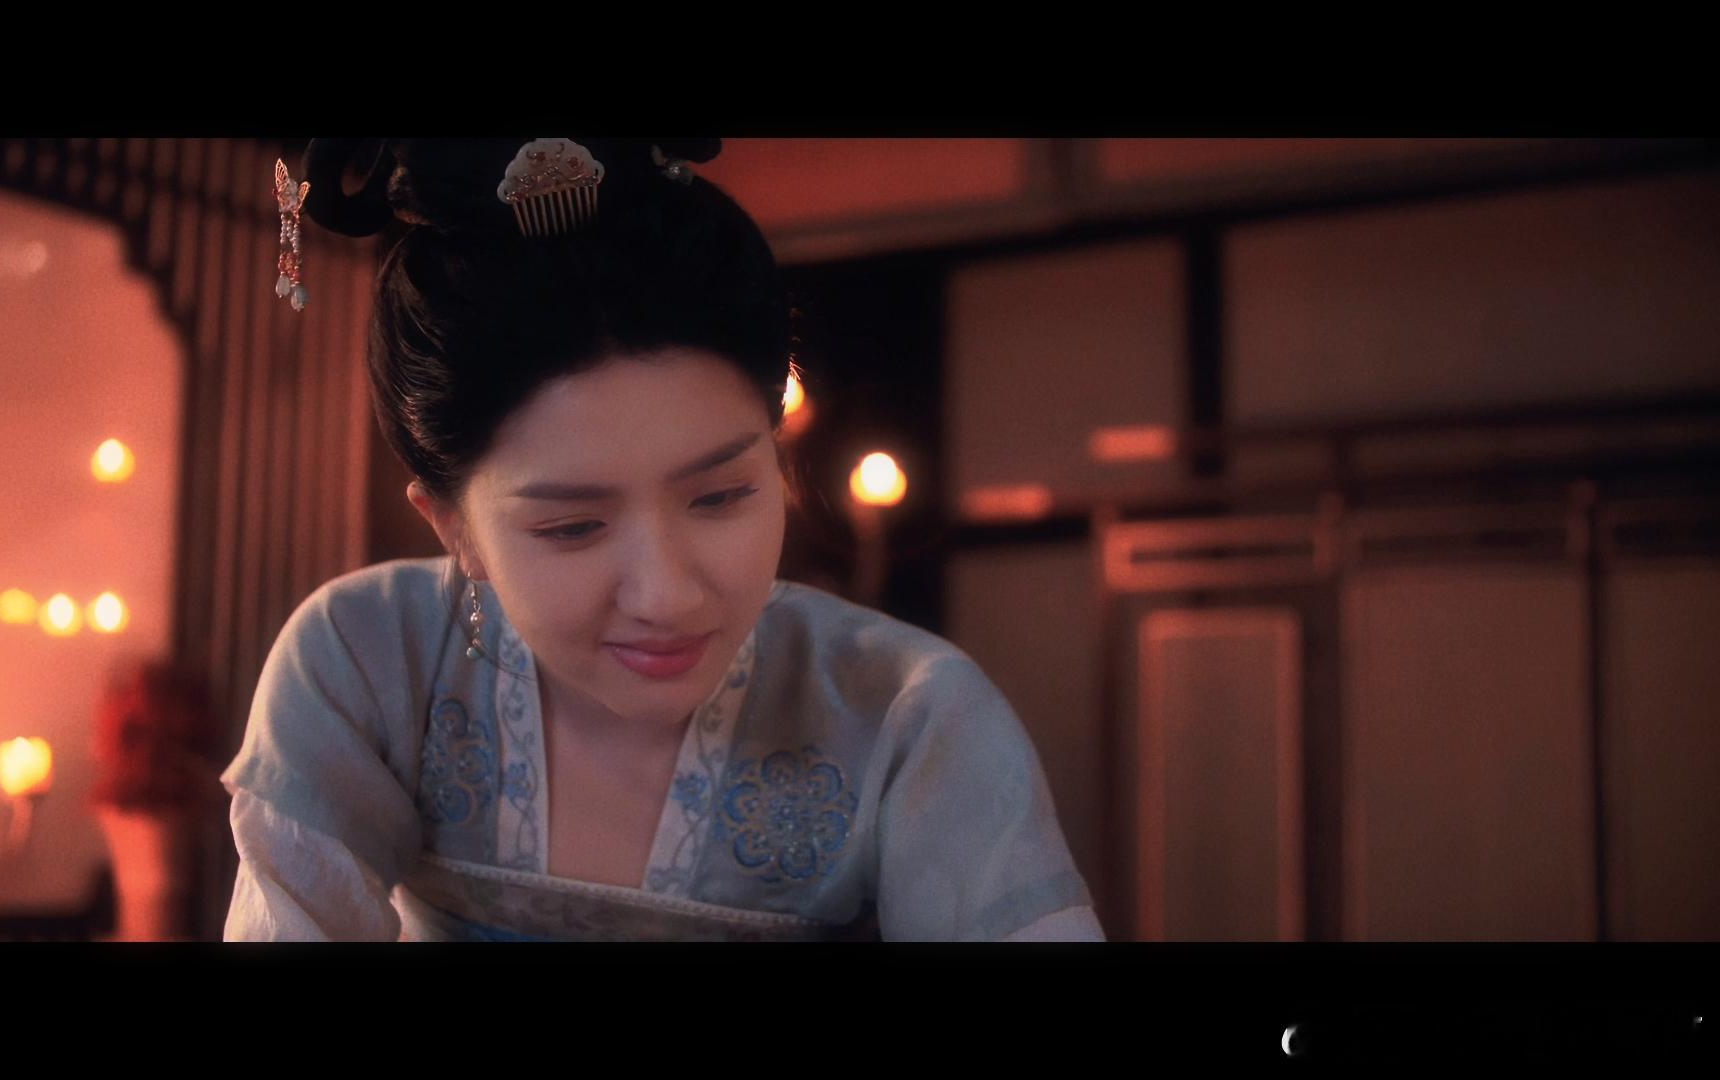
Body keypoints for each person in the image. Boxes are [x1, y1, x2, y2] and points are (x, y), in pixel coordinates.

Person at [221, 138, 1105, 941]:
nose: (667, 595)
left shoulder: (909, 715)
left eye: (721, 496)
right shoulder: (371, 661)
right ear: (454, 528)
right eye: (573, 526)